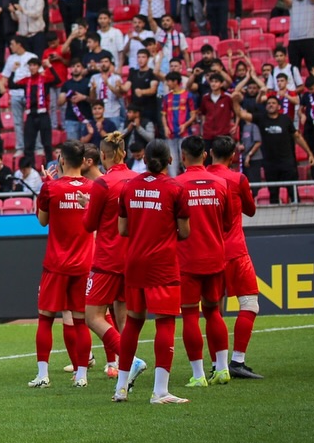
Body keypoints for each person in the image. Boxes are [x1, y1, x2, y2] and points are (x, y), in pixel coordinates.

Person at [114, 140, 190, 404]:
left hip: (134, 262)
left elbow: (122, 230)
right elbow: (185, 232)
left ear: (143, 160)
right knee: (165, 323)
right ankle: (160, 391)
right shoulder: (176, 189)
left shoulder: (129, 187)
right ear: (170, 160)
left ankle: (121, 388)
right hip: (162, 265)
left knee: (133, 323)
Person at [29, 141, 95, 389]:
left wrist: (46, 188)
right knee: (80, 322)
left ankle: (43, 375)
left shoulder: (51, 188)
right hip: (83, 264)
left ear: (62, 160)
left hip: (55, 264)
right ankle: (81, 376)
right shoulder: (92, 188)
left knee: (45, 320)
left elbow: (42, 221)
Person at [83, 133, 146, 383]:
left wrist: (87, 205)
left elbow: (89, 224)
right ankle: (124, 373)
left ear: (103, 155)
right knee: (123, 316)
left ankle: (130, 360)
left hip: (108, 258)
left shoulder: (103, 184)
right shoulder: (137, 179)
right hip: (133, 256)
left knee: (93, 316)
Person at [174, 137, 232, 389]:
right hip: (215, 257)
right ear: (205, 155)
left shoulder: (177, 185)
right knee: (213, 312)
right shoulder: (221, 183)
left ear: (183, 157)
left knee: (189, 315)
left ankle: (198, 375)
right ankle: (222, 369)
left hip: (188, 259)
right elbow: (228, 223)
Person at [208, 135, 263, 379]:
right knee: (249, 304)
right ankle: (237, 361)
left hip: (209, 252)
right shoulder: (238, 178)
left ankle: (216, 365)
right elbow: (250, 210)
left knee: (212, 311)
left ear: (210, 153)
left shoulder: (200, 178)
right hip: (236, 251)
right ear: (233, 156)